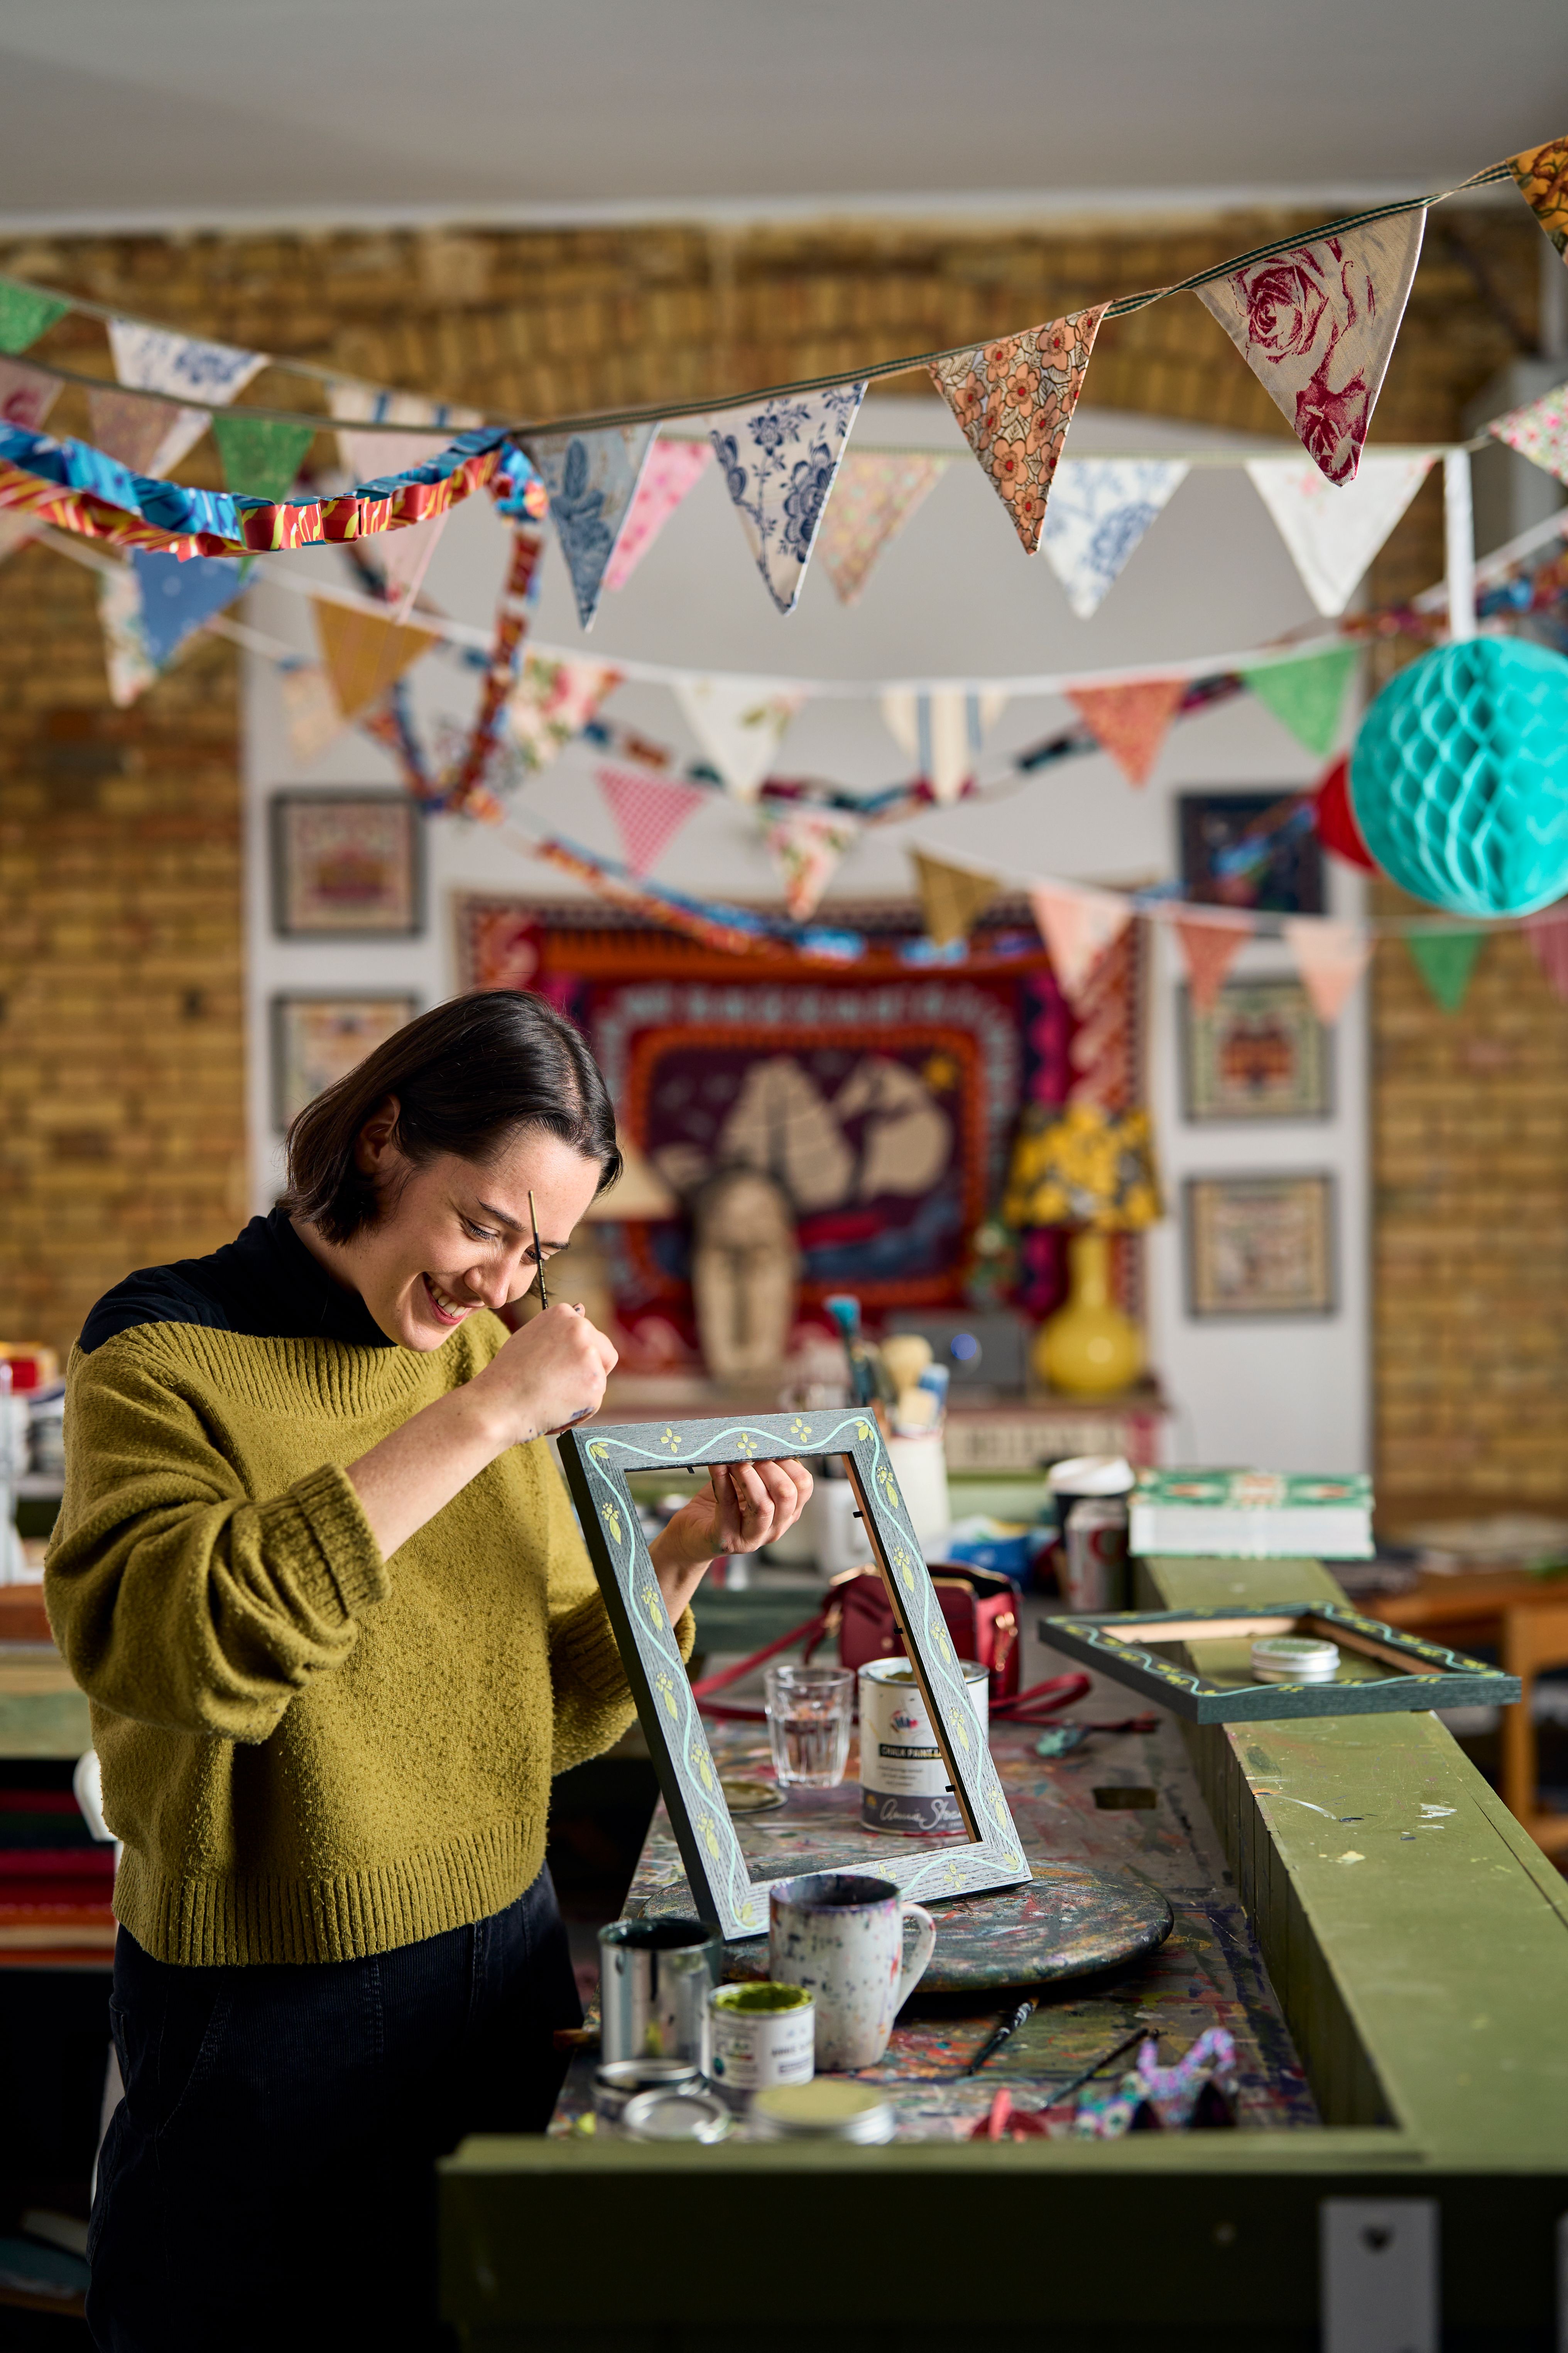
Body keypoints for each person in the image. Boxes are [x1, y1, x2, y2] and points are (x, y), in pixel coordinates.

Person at [45, 991, 811, 2351]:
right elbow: (199, 1651)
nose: (503, 1283)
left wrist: (686, 1548)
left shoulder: (478, 1358)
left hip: (508, 1959)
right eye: (485, 1223)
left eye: (541, 1250)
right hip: (266, 2007)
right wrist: (484, 1413)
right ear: (385, 1140)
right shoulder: (159, 1354)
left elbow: (557, 1706)